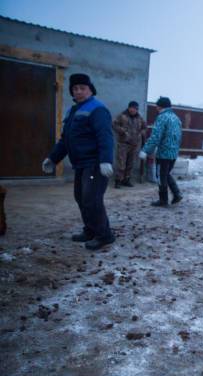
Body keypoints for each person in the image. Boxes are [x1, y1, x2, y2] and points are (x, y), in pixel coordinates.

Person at [41, 73, 115, 250]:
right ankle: (90, 230)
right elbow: (66, 139)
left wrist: (105, 160)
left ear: (90, 90)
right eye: (75, 89)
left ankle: (105, 235)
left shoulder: (97, 109)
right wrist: (53, 158)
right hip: (81, 164)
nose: (79, 91)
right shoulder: (72, 111)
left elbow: (105, 137)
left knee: (92, 199)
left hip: (95, 164)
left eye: (82, 88)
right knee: (81, 198)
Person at [139, 97, 182, 207]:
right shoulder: (176, 118)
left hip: (163, 153)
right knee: (166, 174)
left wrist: (145, 150)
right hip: (173, 153)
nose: (156, 107)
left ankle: (163, 200)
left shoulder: (162, 117)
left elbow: (156, 136)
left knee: (160, 176)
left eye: (157, 105)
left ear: (160, 106)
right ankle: (177, 194)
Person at [112, 101, 147, 188]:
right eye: (132, 108)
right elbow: (114, 124)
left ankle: (126, 180)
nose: (134, 110)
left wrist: (141, 133)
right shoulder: (122, 116)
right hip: (123, 144)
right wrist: (122, 130)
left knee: (130, 164)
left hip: (134, 145)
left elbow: (144, 127)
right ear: (129, 108)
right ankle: (118, 181)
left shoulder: (139, 118)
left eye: (136, 108)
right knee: (121, 163)